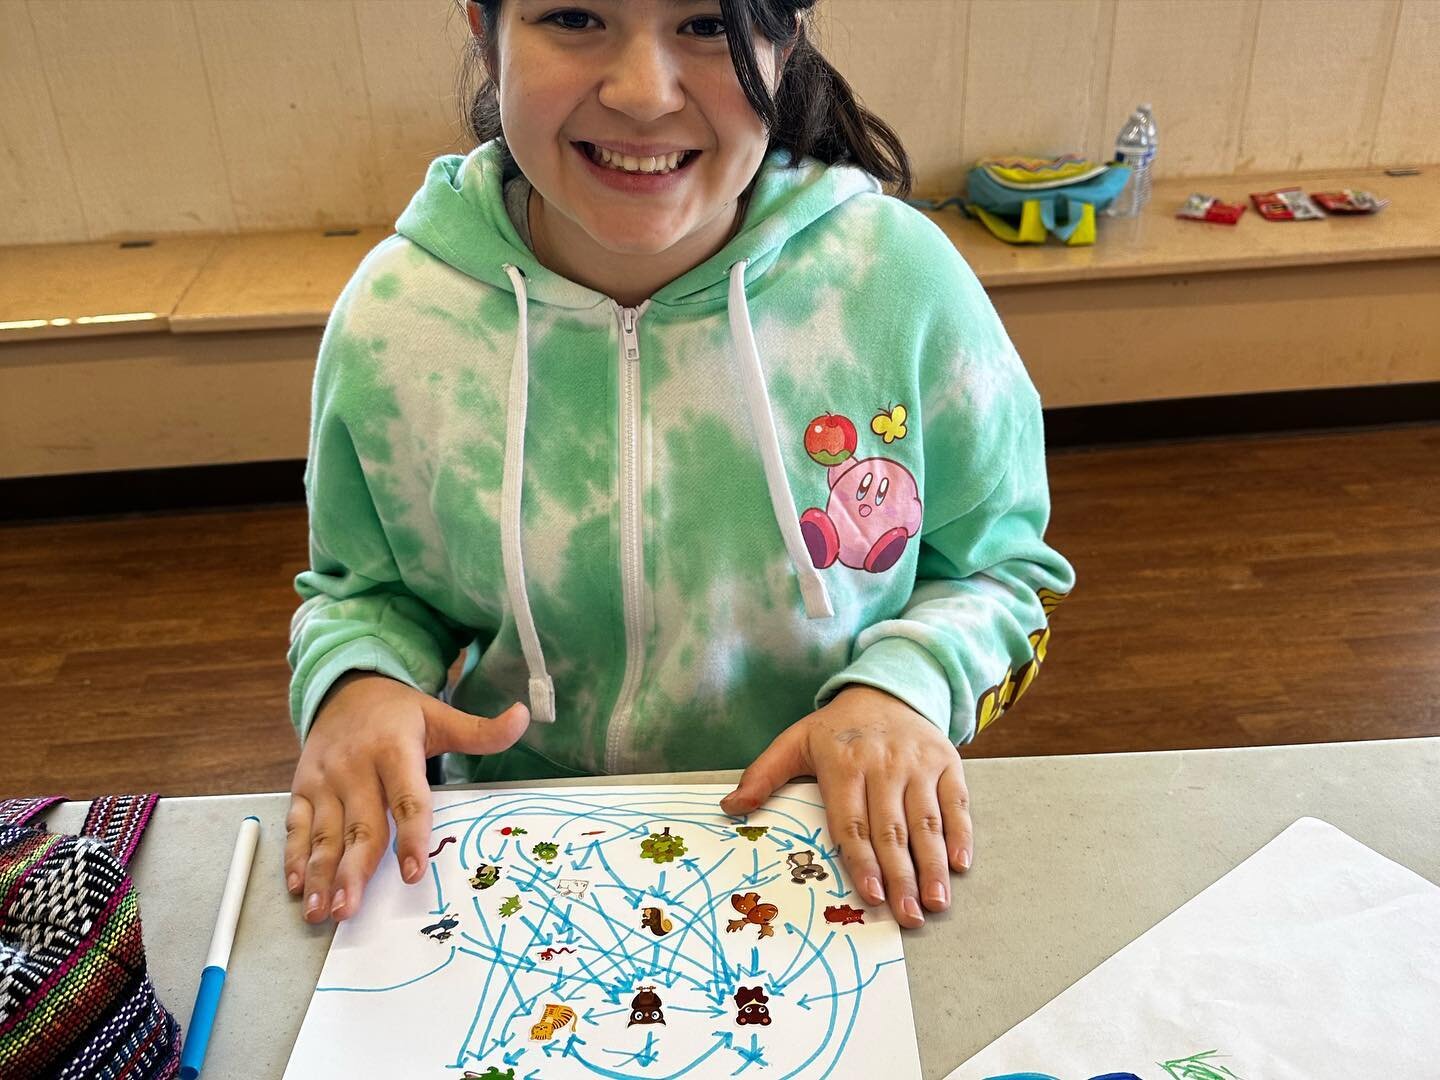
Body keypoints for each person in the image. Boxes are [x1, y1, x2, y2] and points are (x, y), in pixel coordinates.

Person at [284, 0, 1074, 934]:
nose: (643, 94)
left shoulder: (896, 284)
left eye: (705, 24)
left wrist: (903, 687)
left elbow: (1003, 570)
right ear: (484, 30)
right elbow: (365, 591)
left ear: (785, 42)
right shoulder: (398, 319)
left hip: (822, 850)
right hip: (508, 861)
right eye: (575, 17)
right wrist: (359, 680)